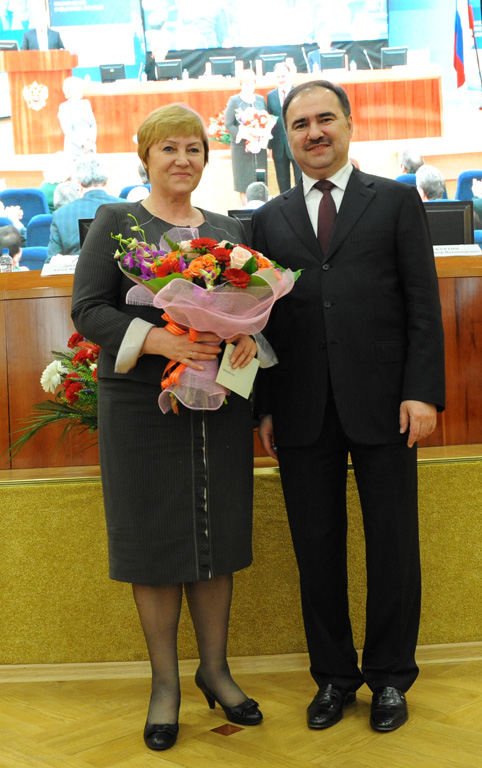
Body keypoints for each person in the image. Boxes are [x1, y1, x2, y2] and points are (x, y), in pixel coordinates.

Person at [252, 80, 445, 734]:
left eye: (324, 118)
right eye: (300, 123)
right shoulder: (268, 219)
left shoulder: (393, 200)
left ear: (349, 123)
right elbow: (261, 323)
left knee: (393, 548)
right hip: (300, 410)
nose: (314, 132)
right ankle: (333, 678)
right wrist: (265, 408)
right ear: (287, 136)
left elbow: (422, 303)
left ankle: (390, 677)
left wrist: (422, 390)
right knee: (316, 550)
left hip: (388, 405)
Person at [71, 104, 263, 752]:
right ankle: (164, 685)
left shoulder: (229, 229)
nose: (183, 159)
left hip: (218, 405)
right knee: (153, 542)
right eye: (169, 149)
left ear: (207, 158)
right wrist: (158, 340)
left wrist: (247, 340)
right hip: (141, 408)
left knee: (216, 534)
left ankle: (215, 671)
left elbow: (251, 313)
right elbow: (88, 308)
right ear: (145, 158)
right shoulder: (118, 223)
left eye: (194, 148)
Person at [48, 156, 122, 257]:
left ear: (78, 183)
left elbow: (52, 261)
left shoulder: (61, 215)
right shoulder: (128, 208)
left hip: (77, 267)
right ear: (106, 180)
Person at [224, 69, 269, 206]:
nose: (249, 87)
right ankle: (247, 210)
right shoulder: (234, 100)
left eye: (251, 84)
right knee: (243, 180)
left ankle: (261, 208)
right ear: (241, 85)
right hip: (241, 148)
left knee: (260, 178)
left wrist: (262, 133)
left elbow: (267, 121)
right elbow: (229, 124)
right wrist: (244, 134)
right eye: (246, 84)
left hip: (259, 147)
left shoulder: (260, 100)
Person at [267, 62, 302, 193]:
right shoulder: (270, 96)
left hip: (297, 145)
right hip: (278, 147)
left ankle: (301, 204)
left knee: (301, 181)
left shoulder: (298, 93)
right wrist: (270, 146)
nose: (281, 79)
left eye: (283, 76)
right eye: (278, 77)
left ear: (289, 75)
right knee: (282, 182)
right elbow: (269, 122)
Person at [58, 77, 97, 160]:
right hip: (74, 150)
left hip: (90, 147)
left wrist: (91, 141)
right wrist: (83, 144)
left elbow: (93, 124)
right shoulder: (64, 107)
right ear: (70, 91)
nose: (81, 90)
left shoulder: (86, 103)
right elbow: (68, 131)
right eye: (78, 88)